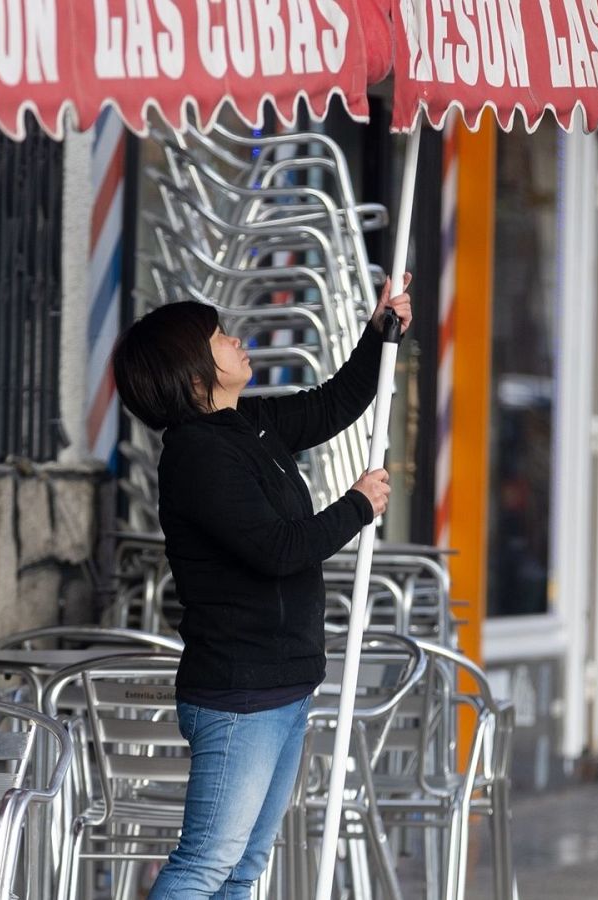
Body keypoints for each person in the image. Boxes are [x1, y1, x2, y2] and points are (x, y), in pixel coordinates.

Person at [110, 276, 412, 898]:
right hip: (239, 695)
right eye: (219, 337)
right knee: (204, 866)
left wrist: (378, 334)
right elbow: (277, 549)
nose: (236, 339)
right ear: (193, 375)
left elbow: (334, 404)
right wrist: (355, 505)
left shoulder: (252, 425)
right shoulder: (197, 456)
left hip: (284, 686)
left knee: (242, 869)